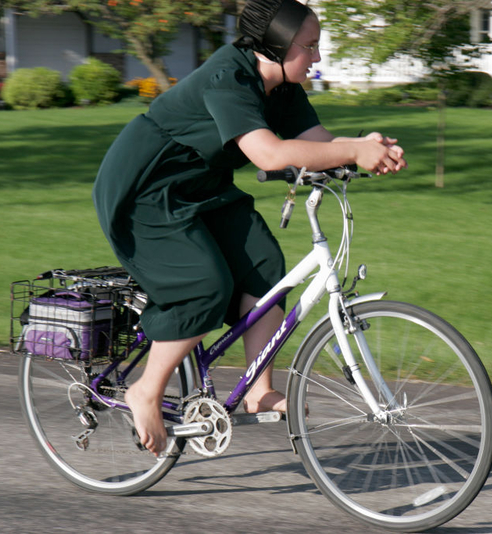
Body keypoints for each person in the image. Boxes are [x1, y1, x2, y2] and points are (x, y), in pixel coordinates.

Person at [92, 0, 407, 457]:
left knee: (265, 266)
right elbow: (271, 155)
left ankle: (259, 390)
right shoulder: (230, 78)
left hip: (201, 188)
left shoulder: (282, 85)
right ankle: (145, 390)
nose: (317, 57)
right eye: (310, 46)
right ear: (277, 46)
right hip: (145, 193)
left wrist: (363, 145)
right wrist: (353, 151)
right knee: (204, 286)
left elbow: (318, 142)